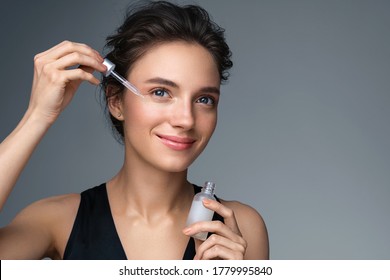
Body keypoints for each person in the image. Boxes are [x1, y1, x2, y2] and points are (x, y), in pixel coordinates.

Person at [0, 1, 268, 260]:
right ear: (116, 101)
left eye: (204, 99)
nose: (186, 119)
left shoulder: (241, 228)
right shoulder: (56, 220)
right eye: (160, 92)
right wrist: (37, 117)